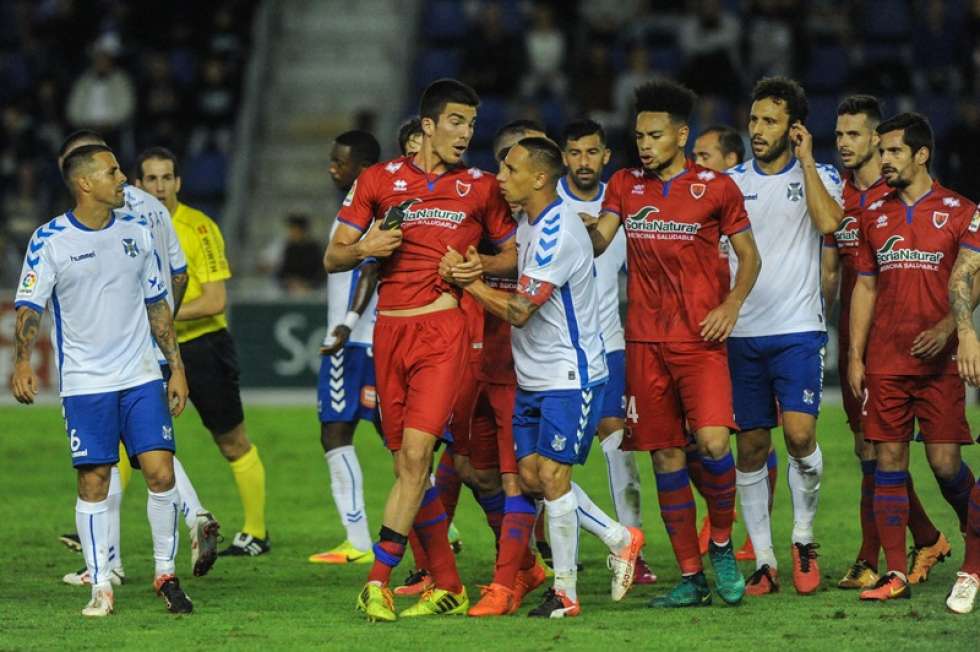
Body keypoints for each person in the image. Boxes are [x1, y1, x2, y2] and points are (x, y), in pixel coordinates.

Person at [325, 78, 517, 621]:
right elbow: (333, 257)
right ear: (428, 125)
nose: (466, 134)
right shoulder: (377, 180)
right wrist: (366, 247)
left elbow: (512, 255)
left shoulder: (480, 187)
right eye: (456, 122)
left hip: (443, 333)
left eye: (472, 124)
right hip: (388, 333)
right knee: (407, 469)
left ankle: (378, 579)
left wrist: (480, 266)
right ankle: (450, 584)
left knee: (415, 458)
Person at [446, 137, 644, 618]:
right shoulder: (529, 222)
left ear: (538, 178)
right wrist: (483, 266)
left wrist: (467, 282)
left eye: (509, 169)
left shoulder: (558, 233)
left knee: (553, 479)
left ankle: (565, 593)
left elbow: (518, 311)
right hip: (533, 376)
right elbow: (515, 262)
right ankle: (620, 537)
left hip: (569, 374)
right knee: (533, 478)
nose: (499, 177)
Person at [589, 79, 761, 608]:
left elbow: (749, 257)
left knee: (712, 444)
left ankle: (723, 543)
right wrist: (566, 229)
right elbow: (599, 239)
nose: (644, 144)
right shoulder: (623, 184)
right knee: (664, 458)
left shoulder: (716, 187)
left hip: (700, 341)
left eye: (655, 135)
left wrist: (730, 305)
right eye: (639, 134)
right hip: (644, 341)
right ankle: (691, 576)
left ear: (681, 135)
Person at [12, 143, 192, 616]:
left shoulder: (137, 230)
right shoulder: (49, 239)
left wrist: (175, 367)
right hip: (86, 382)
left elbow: (158, 306)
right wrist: (23, 360)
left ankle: (165, 573)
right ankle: (101, 587)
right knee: (94, 481)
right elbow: (30, 305)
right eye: (113, 172)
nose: (123, 180)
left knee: (161, 471)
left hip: (139, 375)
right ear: (85, 183)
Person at [55, 130, 221, 584]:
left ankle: (108, 562)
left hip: (121, 350)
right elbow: (180, 273)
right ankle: (190, 516)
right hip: (153, 342)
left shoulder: (116, 211)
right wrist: (164, 320)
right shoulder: (152, 207)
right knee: (146, 448)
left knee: (108, 455)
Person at [848, 112, 978, 602]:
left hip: (941, 363)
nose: (884, 160)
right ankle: (896, 574)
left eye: (895, 151)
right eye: (882, 151)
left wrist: (949, 327)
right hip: (886, 359)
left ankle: (975, 541)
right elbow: (864, 286)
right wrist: (856, 357)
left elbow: (971, 277)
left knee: (946, 465)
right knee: (888, 460)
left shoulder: (960, 209)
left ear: (922, 154)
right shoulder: (872, 215)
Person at [824, 97, 947, 591]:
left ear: (877, 140)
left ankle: (872, 555)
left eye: (853, 135)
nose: (844, 144)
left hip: (895, 339)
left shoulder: (891, 197)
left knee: (885, 450)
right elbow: (832, 259)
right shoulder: (841, 199)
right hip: (856, 336)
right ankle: (923, 538)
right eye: (838, 136)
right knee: (868, 449)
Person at [727, 76, 843, 596]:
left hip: (798, 328)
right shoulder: (729, 183)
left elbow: (829, 225)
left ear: (794, 128)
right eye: (753, 119)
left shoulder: (821, 176)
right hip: (742, 333)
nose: (756, 129)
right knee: (750, 447)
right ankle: (765, 562)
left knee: (798, 436)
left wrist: (807, 161)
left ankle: (802, 537)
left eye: (769, 120)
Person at [136, 146, 269, 557]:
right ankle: (96, 520)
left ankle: (256, 532)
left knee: (232, 442)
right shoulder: (129, 227)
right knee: (134, 436)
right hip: (151, 350)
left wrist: (162, 318)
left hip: (203, 346)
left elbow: (215, 300)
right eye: (151, 179)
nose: (159, 187)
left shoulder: (199, 228)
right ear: (138, 184)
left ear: (178, 182)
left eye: (166, 178)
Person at [556, 117, 655, 585]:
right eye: (574, 152)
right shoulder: (544, 204)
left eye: (591, 152)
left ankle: (633, 548)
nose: (583, 162)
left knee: (620, 449)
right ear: (562, 156)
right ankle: (559, 554)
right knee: (547, 462)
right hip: (556, 350)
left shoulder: (622, 207)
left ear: (606, 157)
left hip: (610, 345)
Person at [691, 124, 767, 562]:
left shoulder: (741, 200)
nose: (695, 163)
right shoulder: (694, 200)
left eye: (704, 156)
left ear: (730, 162)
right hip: (701, 332)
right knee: (695, 438)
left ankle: (751, 533)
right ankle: (720, 512)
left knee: (750, 431)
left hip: (747, 329)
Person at [309, 130, 382, 565]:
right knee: (361, 433)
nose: (332, 167)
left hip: (356, 342)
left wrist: (346, 324)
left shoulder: (369, 209)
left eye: (340, 161)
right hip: (357, 339)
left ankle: (358, 540)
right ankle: (358, 539)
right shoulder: (356, 207)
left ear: (364, 168)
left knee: (344, 432)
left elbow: (369, 271)